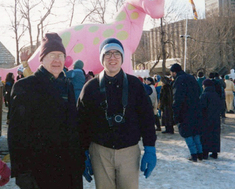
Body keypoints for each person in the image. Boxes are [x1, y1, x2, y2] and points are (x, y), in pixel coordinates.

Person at [8, 33, 84, 189]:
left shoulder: (67, 85)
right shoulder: (26, 86)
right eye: (52, 55)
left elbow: (72, 126)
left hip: (68, 170)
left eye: (61, 55)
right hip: (39, 171)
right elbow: (16, 133)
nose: (57, 60)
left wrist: (80, 159)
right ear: (41, 59)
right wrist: (21, 172)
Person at [78, 38, 157, 189]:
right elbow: (81, 122)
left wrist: (150, 147)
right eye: (108, 54)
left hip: (129, 151)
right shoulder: (90, 87)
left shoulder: (135, 85)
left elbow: (147, 119)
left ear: (122, 58)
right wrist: (83, 153)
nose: (112, 58)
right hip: (100, 151)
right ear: (102, 58)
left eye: (117, 54)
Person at [170, 63, 203, 162]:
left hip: (185, 111)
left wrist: (175, 113)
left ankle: (193, 154)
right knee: (196, 132)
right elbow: (199, 91)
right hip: (196, 109)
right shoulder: (191, 78)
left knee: (187, 133)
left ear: (174, 72)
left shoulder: (179, 81)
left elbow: (177, 98)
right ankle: (200, 153)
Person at [200, 79, 222, 159]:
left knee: (206, 135)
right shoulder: (216, 94)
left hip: (206, 118)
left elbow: (202, 107)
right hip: (215, 117)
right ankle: (215, 152)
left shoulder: (205, 95)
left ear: (205, 86)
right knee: (215, 135)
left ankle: (205, 152)